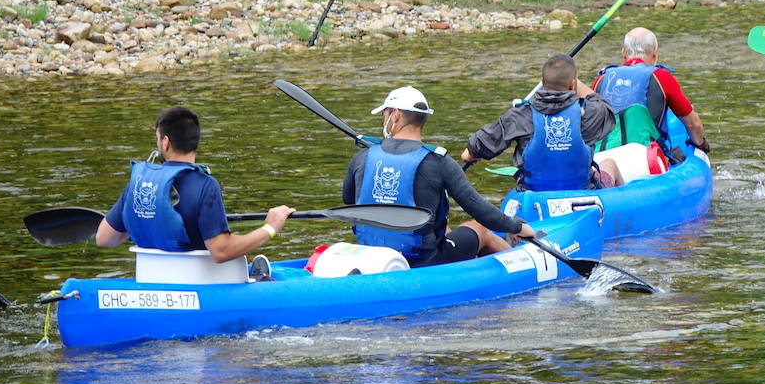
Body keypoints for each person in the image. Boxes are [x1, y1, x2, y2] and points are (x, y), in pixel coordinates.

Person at [344, 85, 537, 266]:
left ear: (395, 115)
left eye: (384, 113)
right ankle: (521, 267)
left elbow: (350, 200)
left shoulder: (362, 157)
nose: (383, 118)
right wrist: (518, 228)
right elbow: (480, 210)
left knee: (444, 229)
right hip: (423, 261)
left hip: (372, 255)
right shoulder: (439, 161)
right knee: (480, 229)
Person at [95, 106, 295, 267]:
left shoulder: (139, 184)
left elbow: (104, 238)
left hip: (150, 278)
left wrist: (145, 218)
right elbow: (221, 251)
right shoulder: (205, 185)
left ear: (165, 142)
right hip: (199, 286)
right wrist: (270, 228)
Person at [461, 55, 623, 190]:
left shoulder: (520, 115)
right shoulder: (588, 113)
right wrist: (575, 82)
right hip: (581, 192)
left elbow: (475, 148)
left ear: (542, 81)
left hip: (535, 197)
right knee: (610, 164)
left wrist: (471, 155)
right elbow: (606, 107)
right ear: (572, 84)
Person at [593, 27, 709, 155]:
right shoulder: (661, 77)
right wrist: (702, 145)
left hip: (604, 155)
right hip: (645, 158)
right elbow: (693, 124)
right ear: (654, 52)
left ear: (623, 53)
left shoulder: (601, 79)